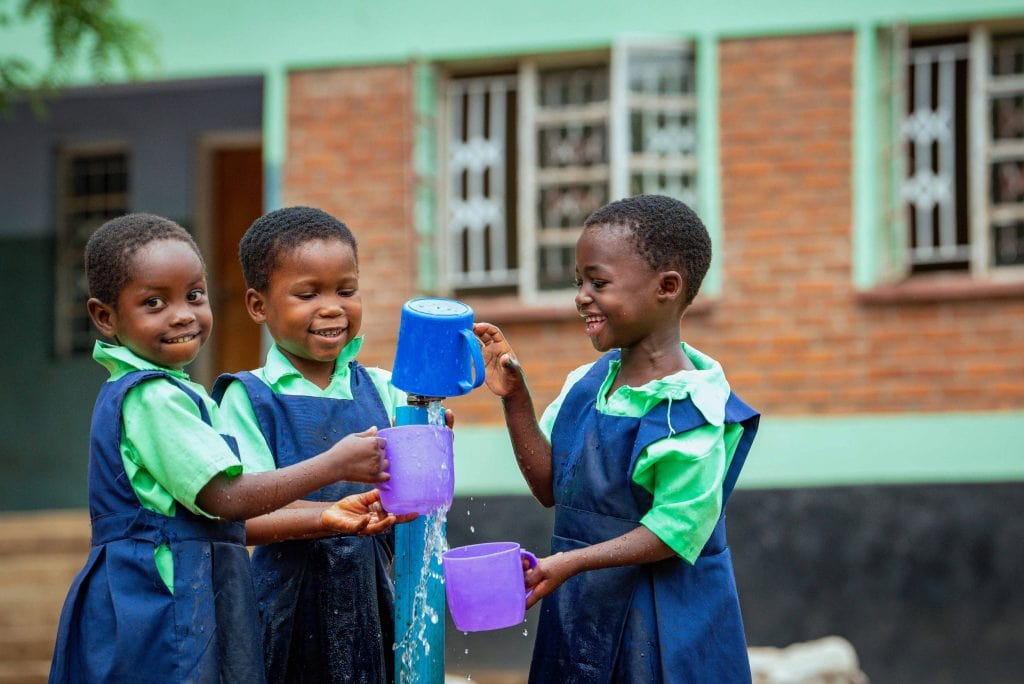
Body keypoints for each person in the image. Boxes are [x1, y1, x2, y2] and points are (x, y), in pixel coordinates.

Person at [50, 213, 393, 684]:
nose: (183, 315)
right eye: (154, 302)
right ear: (105, 317)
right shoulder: (154, 396)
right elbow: (225, 499)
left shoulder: (174, 392)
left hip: (190, 597)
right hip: (158, 603)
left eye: (194, 296)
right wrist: (333, 465)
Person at [474, 194, 761, 683]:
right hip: (579, 607)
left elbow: (674, 532)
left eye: (598, 282)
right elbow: (549, 487)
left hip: (662, 624)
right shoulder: (587, 385)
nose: (582, 295)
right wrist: (515, 398)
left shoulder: (693, 409)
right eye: (579, 282)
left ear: (667, 287)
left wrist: (572, 562)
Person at [214, 206, 420, 684]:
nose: (332, 307)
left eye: (346, 291)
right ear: (258, 305)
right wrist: (326, 512)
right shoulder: (249, 398)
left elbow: (416, 495)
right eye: (307, 294)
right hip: (285, 608)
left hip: (375, 600)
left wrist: (430, 433)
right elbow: (241, 517)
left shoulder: (386, 389)